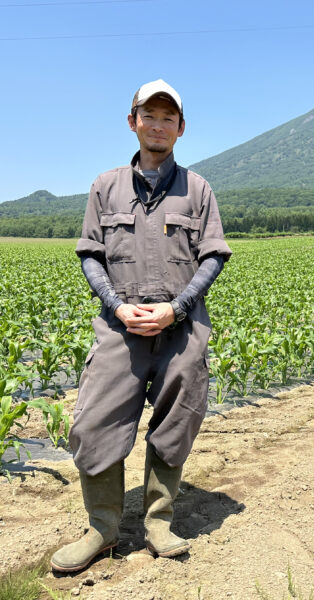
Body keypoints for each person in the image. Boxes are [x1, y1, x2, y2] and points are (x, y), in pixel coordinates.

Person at [51, 79, 232, 572]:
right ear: (132, 122)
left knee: (176, 422)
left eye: (167, 118)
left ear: (181, 128)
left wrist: (178, 306)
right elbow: (90, 255)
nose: (158, 125)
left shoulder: (198, 189)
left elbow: (213, 257)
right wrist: (116, 305)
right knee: (93, 422)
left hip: (182, 327)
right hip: (119, 327)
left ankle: (157, 522)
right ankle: (101, 529)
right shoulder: (105, 186)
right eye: (148, 116)